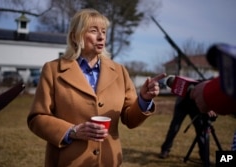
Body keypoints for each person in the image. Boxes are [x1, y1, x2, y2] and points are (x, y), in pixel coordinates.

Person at [27, 8, 166, 167]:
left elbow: (130, 119)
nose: (101, 37)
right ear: (75, 36)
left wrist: (144, 100)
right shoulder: (52, 70)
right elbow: (37, 118)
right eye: (93, 31)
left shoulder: (119, 71)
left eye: (104, 32)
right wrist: (72, 131)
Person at [159, 94, 217, 162]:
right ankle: (165, 150)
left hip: (196, 106)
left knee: (201, 130)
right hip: (182, 103)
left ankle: (204, 155)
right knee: (174, 128)